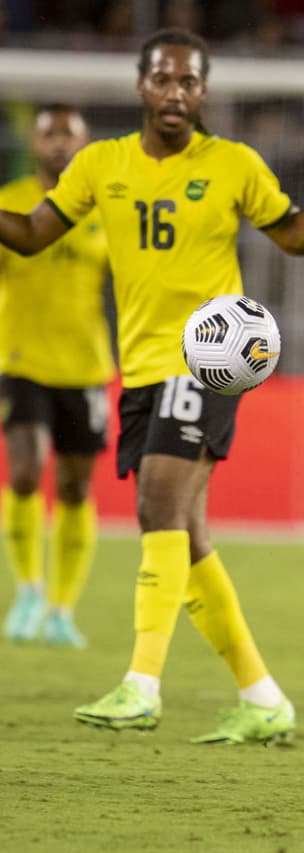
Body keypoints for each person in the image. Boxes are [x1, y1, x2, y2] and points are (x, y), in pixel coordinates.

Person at [0, 28, 304, 743]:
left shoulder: (233, 163)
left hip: (209, 361)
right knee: (190, 533)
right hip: (141, 368)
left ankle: (141, 683)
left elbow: (293, 236)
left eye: (189, 82)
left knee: (156, 506)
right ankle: (263, 696)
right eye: (164, 80)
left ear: (203, 92)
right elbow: (28, 233)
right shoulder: (100, 164)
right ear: (141, 85)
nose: (176, 94)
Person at [0, 104, 110, 648]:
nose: (58, 145)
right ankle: (28, 589)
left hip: (86, 366)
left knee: (74, 486)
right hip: (20, 360)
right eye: (48, 135)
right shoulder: (11, 202)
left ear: (86, 145)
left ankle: (63, 608)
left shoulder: (107, 206)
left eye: (70, 135)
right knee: (25, 471)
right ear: (35, 143)